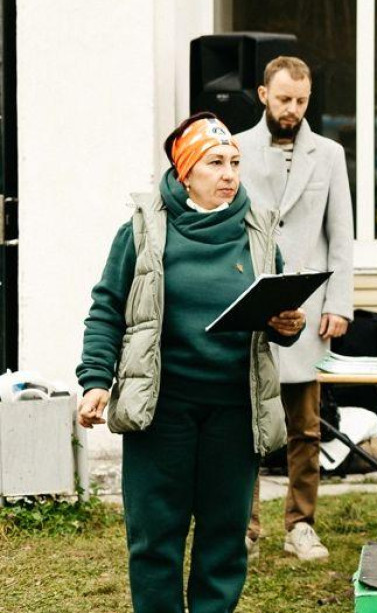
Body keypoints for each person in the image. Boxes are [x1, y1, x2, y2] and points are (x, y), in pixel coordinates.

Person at [76, 113, 305, 613]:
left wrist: (286, 325)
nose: (229, 174)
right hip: (162, 410)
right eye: (215, 163)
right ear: (185, 172)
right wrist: (95, 380)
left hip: (234, 411)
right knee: (155, 537)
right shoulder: (142, 231)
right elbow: (107, 309)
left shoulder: (258, 230)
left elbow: (274, 311)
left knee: (224, 538)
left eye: (235, 163)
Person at [237, 55, 354, 561]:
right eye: (284, 98)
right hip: (251, 302)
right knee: (245, 423)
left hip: (307, 305)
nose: (293, 109)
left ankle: (301, 524)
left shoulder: (329, 154)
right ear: (264, 94)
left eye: (301, 100)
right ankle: (244, 526)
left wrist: (340, 303)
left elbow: (341, 235)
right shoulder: (235, 148)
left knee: (305, 426)